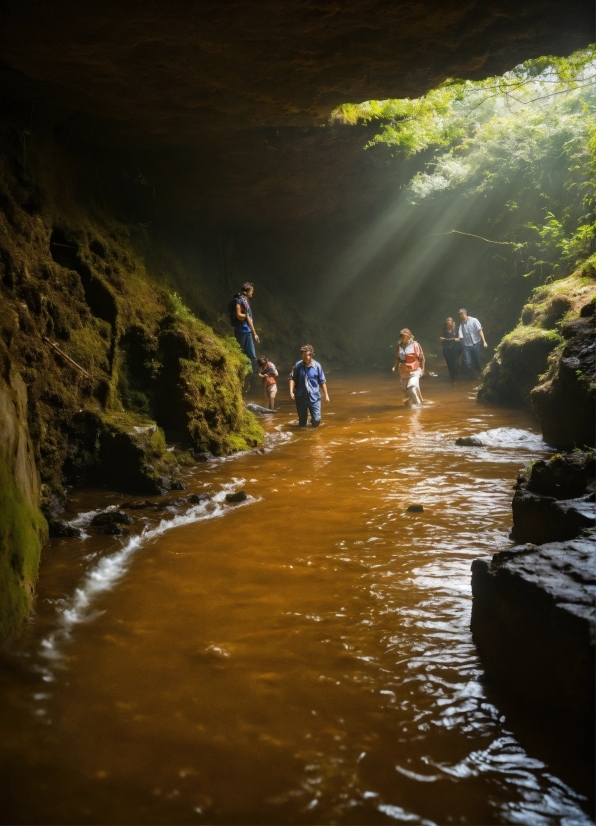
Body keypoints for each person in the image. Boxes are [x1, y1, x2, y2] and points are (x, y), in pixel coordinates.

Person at [289, 344, 330, 427]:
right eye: (303, 355)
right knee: (302, 422)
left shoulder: (317, 366)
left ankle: (314, 430)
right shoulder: (297, 365)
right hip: (301, 397)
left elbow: (322, 381)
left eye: (306, 355)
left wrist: (326, 395)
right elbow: (292, 378)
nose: (304, 357)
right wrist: (291, 391)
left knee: (317, 420)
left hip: (314, 397)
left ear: (311, 354)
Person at [231, 282, 259, 373]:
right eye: (251, 291)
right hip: (240, 331)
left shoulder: (247, 301)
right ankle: (241, 373)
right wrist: (246, 315)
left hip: (248, 331)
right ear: (246, 292)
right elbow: (239, 315)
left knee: (252, 356)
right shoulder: (239, 301)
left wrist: (254, 333)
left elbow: (249, 318)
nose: (252, 292)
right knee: (241, 352)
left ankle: (253, 376)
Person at [392, 328, 425, 405]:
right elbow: (397, 358)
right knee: (406, 395)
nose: (403, 339)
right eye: (402, 337)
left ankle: (418, 407)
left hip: (415, 371)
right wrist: (394, 366)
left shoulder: (416, 345)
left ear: (409, 337)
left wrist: (423, 370)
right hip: (403, 371)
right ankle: (409, 409)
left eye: (404, 337)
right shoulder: (399, 345)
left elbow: (422, 358)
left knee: (411, 389)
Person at [456, 308, 487, 379]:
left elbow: (480, 331)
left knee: (477, 360)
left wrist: (484, 341)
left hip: (476, 343)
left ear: (465, 314)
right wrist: (460, 340)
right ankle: (470, 377)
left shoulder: (474, 320)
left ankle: (480, 373)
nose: (460, 316)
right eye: (459, 315)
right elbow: (460, 334)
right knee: (468, 362)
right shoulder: (461, 324)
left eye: (461, 314)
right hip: (466, 346)